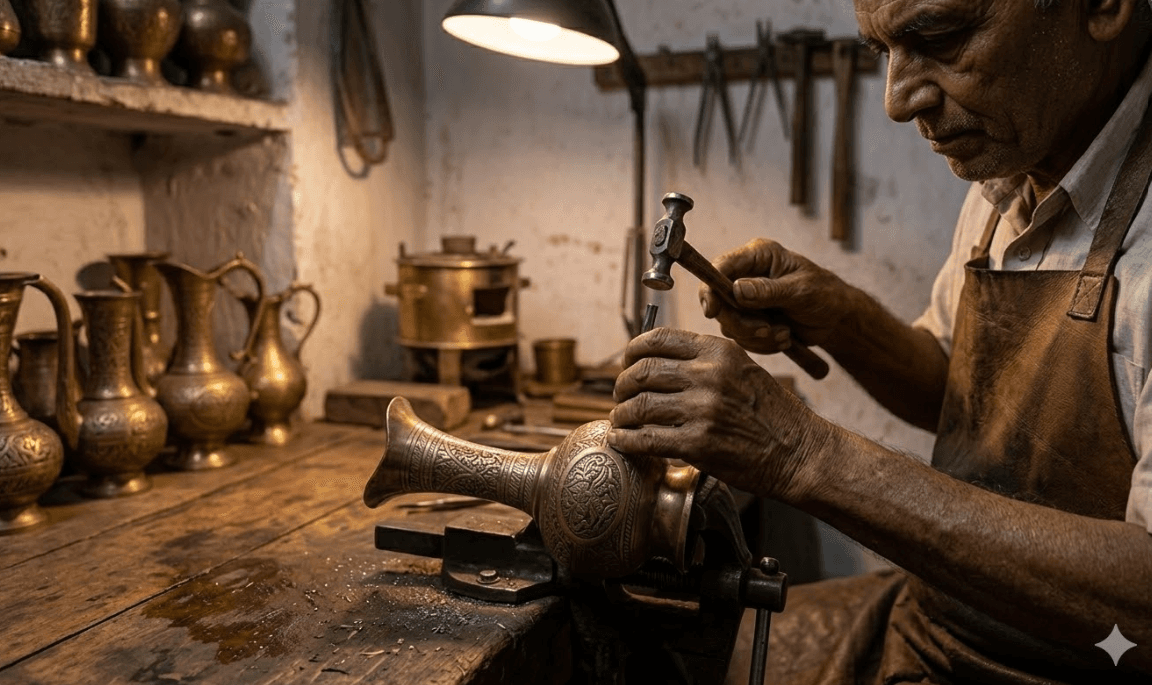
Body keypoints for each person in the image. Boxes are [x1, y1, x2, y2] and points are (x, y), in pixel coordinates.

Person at [607, 0, 1152, 682]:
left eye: (941, 36)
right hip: (940, 618)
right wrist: (844, 318)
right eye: (881, 51)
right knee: (665, 650)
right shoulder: (1015, 165)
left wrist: (802, 453)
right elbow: (965, 395)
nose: (896, 101)